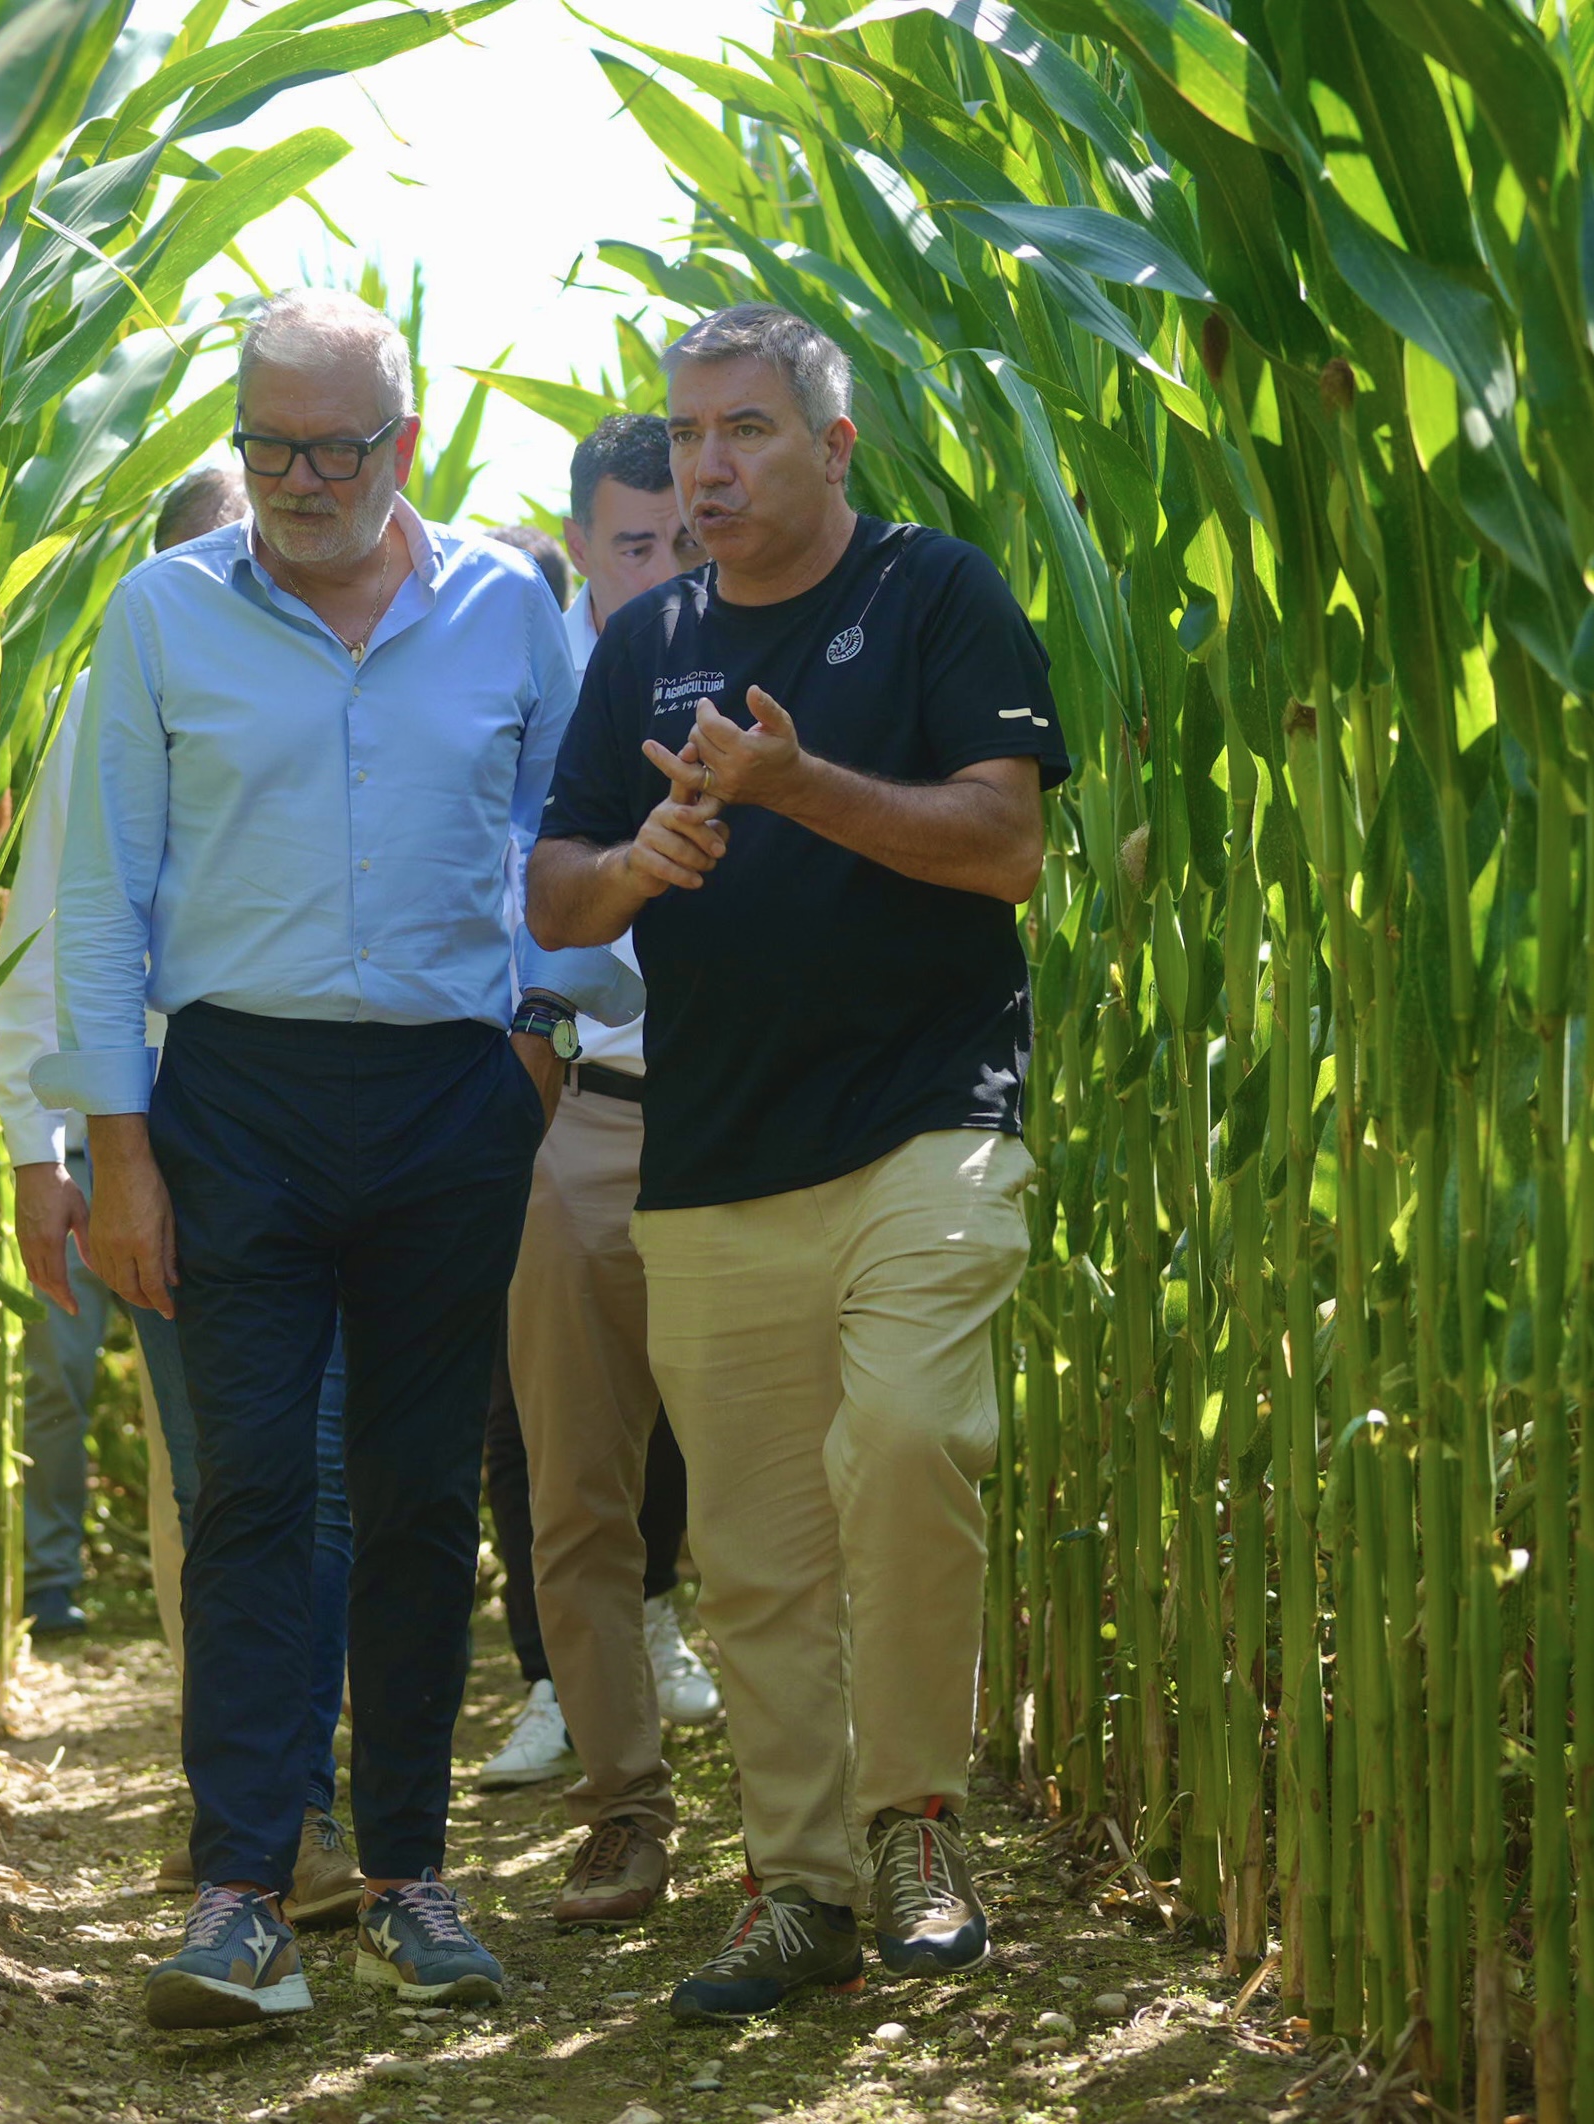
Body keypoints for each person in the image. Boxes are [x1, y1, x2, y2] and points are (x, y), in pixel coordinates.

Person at [35, 289, 638, 2030]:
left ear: (406, 438)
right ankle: (239, 1893)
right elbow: (100, 899)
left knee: (417, 1494)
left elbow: (564, 846)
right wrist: (120, 1151)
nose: (297, 479)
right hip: (232, 1098)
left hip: (452, 1096)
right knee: (244, 1495)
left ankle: (408, 1878)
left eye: (333, 446)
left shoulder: (511, 612)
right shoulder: (161, 614)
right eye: (268, 444)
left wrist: (536, 1038)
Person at [528, 305, 1063, 2022]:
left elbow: (1003, 848)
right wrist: (642, 860)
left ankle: (914, 1823)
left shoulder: (934, 595)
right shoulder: (643, 644)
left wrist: (792, 785)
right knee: (752, 1549)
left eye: (745, 431)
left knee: (908, 1437)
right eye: (688, 437)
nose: (706, 468)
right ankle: (797, 1888)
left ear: (830, 448)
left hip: (927, 1121)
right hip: (713, 1151)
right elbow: (550, 896)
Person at [0, 464, 361, 1930]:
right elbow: (46, 934)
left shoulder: (359, 692)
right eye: (224, 562)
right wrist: (46, 1156)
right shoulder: (115, 696)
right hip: (182, 1145)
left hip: (363, 1135)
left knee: (325, 1480)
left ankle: (280, 1809)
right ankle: (273, 1817)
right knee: (239, 1481)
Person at [478, 415, 723, 1938]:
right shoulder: (528, 671)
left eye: (683, 544)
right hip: (562, 1084)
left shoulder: (748, 662)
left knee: (737, 1446)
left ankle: (793, 1814)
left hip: (734, 1103)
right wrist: (530, 1035)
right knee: (551, 1445)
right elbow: (500, 875)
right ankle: (592, 1758)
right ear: (580, 542)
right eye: (635, 544)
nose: (662, 573)